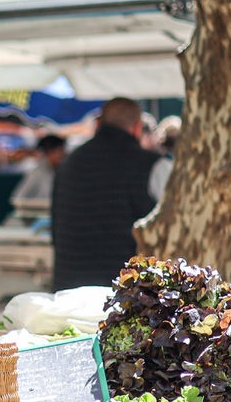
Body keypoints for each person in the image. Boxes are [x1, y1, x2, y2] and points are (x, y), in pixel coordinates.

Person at [50, 98, 166, 290]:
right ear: (137, 128)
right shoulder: (154, 165)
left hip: (70, 288)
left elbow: (56, 227)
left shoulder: (68, 163)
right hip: (127, 295)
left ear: (98, 123)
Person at [10, 134, 67, 204]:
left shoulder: (61, 170)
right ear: (49, 152)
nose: (63, 155)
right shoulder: (37, 173)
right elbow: (18, 199)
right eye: (60, 151)